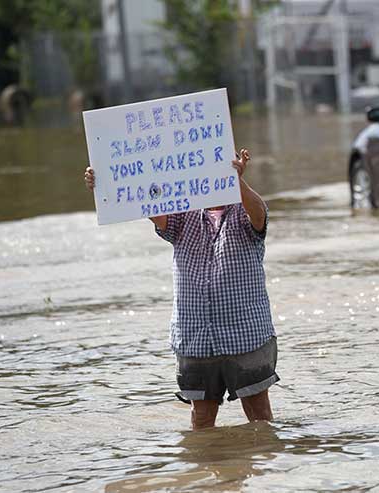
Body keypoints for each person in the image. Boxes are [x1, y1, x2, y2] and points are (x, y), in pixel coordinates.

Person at [84, 148, 279, 430]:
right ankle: (212, 473)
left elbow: (259, 214)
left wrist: (237, 182)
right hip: (195, 337)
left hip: (245, 335)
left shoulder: (244, 210)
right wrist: (106, 181)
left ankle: (260, 471)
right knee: (201, 420)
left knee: (260, 418)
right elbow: (150, 208)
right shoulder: (184, 214)